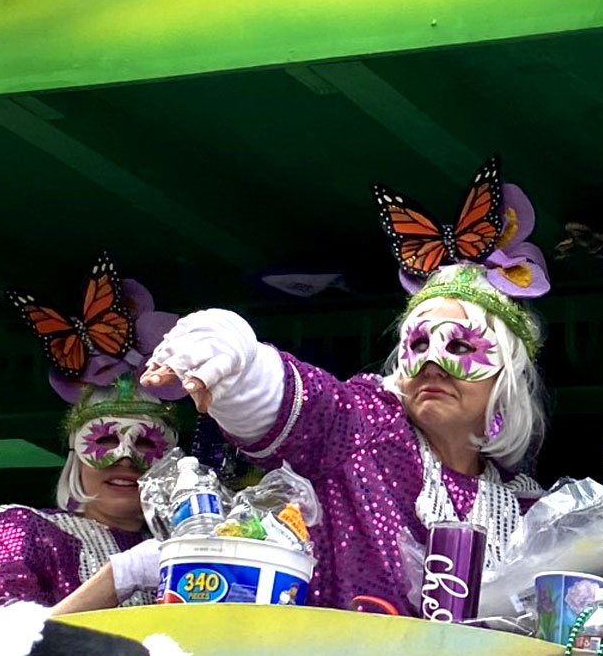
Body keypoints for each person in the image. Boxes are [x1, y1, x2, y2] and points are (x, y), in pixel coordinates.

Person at [139, 168, 553, 614]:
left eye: (459, 345)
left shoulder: (525, 508)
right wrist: (243, 360)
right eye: (417, 344)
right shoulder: (369, 427)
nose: (432, 362)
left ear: (505, 376)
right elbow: (312, 409)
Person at [0, 265, 185, 620]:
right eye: (106, 438)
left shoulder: (190, 554)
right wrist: (118, 579)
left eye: (145, 443)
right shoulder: (24, 528)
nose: (125, 456)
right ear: (74, 452)